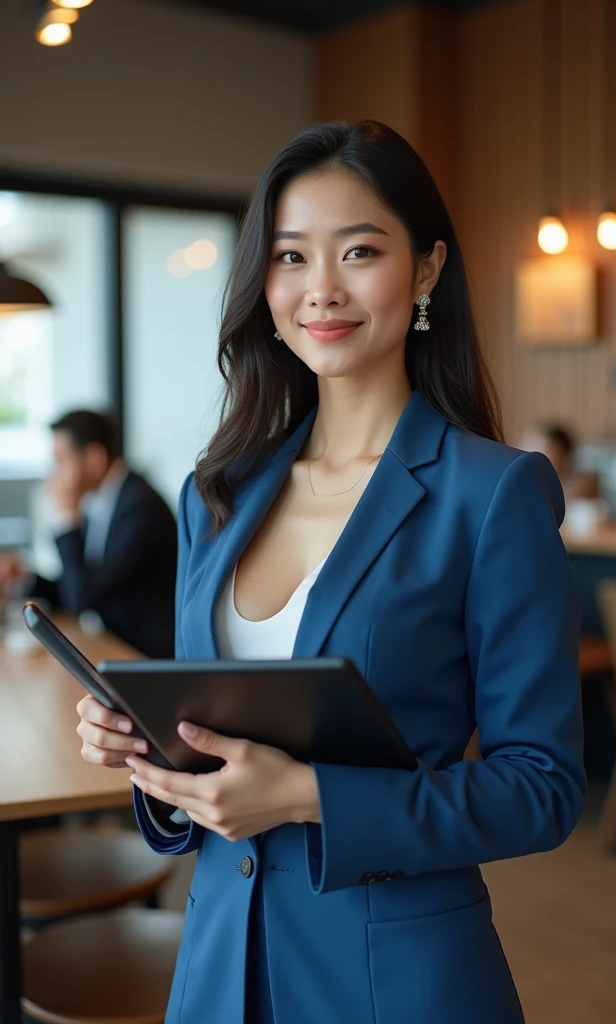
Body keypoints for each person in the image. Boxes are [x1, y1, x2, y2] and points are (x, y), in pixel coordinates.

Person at [75, 121, 585, 1023]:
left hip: (392, 977)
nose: (322, 291)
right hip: (219, 964)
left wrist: (306, 796)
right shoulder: (218, 492)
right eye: (290, 257)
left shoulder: (494, 494)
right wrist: (153, 758)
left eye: (358, 251)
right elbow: (216, 756)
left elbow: (540, 787)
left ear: (426, 270)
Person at [0, 410, 177, 657]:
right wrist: (24, 577)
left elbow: (82, 599)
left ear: (95, 458)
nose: (55, 475)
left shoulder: (140, 507)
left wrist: (66, 519)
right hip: (112, 647)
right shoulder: (102, 501)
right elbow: (78, 585)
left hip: (143, 658)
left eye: (61, 461)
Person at [519, 422, 599, 503]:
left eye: (539, 450)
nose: (527, 455)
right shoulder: (522, 483)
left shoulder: (584, 485)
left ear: (563, 455)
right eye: (526, 447)